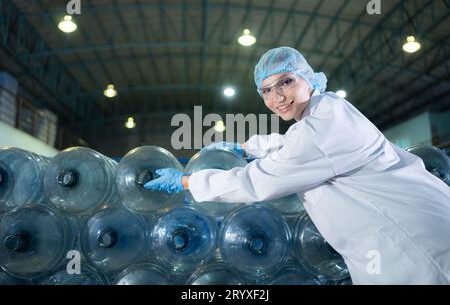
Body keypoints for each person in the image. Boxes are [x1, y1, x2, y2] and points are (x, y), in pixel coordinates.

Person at [144, 46, 450, 284]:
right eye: (266, 90)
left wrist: (187, 181)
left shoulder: (322, 126)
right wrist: (244, 147)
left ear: (308, 77)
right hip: (390, 244)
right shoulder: (322, 114)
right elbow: (290, 146)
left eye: (286, 82)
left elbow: (259, 180)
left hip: (416, 244)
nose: (277, 97)